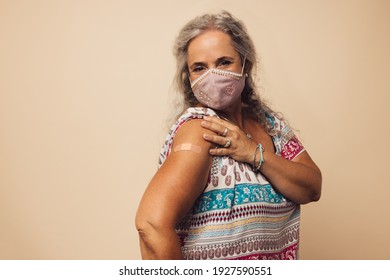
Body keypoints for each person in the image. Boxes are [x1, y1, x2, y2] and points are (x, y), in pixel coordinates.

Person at [135, 11, 322, 260]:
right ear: (188, 77)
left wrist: (254, 153)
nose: (212, 75)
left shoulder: (270, 124)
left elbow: (312, 188)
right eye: (199, 67)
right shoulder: (201, 131)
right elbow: (151, 225)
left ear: (246, 64)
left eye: (224, 62)